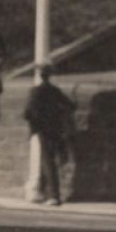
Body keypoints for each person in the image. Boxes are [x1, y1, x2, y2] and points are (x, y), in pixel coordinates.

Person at [23, 63, 76, 206]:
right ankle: (45, 192)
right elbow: (71, 106)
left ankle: (53, 195)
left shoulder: (35, 91)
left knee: (47, 161)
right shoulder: (55, 91)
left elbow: (27, 113)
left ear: (40, 75)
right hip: (57, 129)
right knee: (51, 160)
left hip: (43, 130)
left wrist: (35, 124)